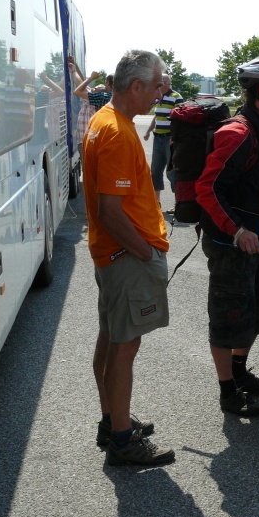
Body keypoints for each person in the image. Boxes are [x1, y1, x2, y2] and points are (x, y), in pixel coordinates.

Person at [82, 49, 174, 466]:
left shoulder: (104, 119)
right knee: (124, 346)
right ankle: (121, 439)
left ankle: (112, 420)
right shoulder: (117, 131)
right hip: (126, 255)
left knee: (111, 337)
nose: (160, 93)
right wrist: (145, 251)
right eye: (156, 87)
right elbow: (111, 212)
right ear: (136, 86)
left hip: (112, 254)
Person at [195, 55, 259, 417]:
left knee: (256, 312)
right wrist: (237, 230)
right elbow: (207, 189)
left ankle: (239, 372)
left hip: (255, 240)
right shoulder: (237, 133)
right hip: (230, 244)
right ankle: (227, 392)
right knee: (227, 319)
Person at [143, 74, 184, 202]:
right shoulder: (159, 97)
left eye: (159, 83)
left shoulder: (176, 97)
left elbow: (180, 119)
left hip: (169, 139)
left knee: (172, 172)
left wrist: (175, 137)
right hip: (158, 138)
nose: (157, 86)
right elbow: (157, 117)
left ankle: (178, 204)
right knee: (155, 171)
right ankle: (157, 202)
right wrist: (149, 131)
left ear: (165, 83)